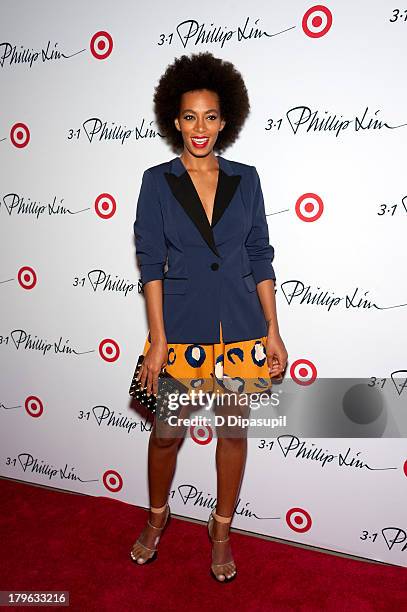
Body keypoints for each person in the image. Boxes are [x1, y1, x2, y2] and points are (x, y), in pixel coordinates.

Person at [130, 51, 288, 582]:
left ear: (226, 120)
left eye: (211, 116)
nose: (201, 128)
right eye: (191, 117)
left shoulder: (248, 178)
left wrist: (272, 329)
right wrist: (157, 339)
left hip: (241, 330)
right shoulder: (157, 181)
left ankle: (220, 528)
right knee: (167, 434)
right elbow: (151, 262)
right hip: (182, 329)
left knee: (234, 434)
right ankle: (158, 517)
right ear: (175, 121)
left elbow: (260, 255)